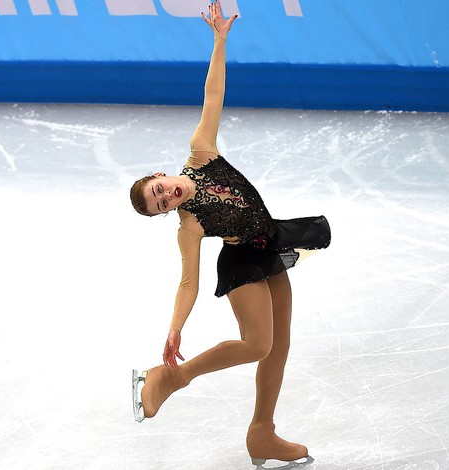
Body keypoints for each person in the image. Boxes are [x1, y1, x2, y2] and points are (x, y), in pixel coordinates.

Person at [129, 1, 330, 466]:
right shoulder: (190, 224)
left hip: (272, 246)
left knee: (277, 349)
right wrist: (175, 329)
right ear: (166, 212)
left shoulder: (200, 153)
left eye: (160, 188)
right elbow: (187, 282)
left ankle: (264, 433)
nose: (167, 196)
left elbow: (212, 95)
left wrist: (219, 41)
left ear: (162, 174)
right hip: (242, 265)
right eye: (162, 203)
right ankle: (174, 378)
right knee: (258, 344)